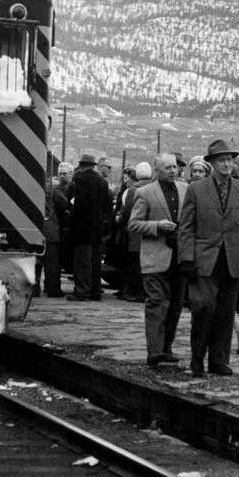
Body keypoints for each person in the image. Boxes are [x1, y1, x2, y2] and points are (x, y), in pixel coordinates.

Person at [177, 139, 239, 377]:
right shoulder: (197, 189)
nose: (227, 164)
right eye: (222, 160)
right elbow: (186, 227)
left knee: (225, 313)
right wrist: (186, 258)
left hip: (232, 262)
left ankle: (218, 361)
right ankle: (197, 358)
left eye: (229, 160)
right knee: (203, 308)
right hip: (204, 261)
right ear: (212, 163)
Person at [129, 154, 189, 367]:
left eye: (174, 167)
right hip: (155, 257)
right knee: (156, 302)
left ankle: (167, 348)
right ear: (157, 170)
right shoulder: (145, 192)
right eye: (167, 167)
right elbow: (133, 224)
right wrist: (157, 226)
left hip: (179, 257)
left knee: (176, 304)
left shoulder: (185, 189)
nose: (173, 171)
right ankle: (154, 351)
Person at [67, 153, 111, 302]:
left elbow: (79, 204)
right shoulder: (102, 181)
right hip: (98, 227)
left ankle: (82, 292)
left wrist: (71, 217)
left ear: (81, 165)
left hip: (83, 227)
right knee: (95, 261)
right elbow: (107, 205)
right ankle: (95, 291)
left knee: (82, 261)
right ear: (93, 166)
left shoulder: (80, 179)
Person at [115, 162, 153, 303]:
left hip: (136, 232)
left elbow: (129, 211)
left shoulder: (133, 189)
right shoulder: (155, 187)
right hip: (150, 230)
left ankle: (136, 292)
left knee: (135, 263)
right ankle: (145, 292)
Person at [42, 162, 73, 297]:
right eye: (60, 174)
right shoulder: (53, 188)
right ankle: (53, 288)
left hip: (41, 227)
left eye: (64, 174)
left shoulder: (40, 186)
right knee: (52, 261)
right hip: (52, 228)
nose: (61, 176)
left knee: (39, 261)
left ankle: (37, 288)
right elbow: (64, 204)